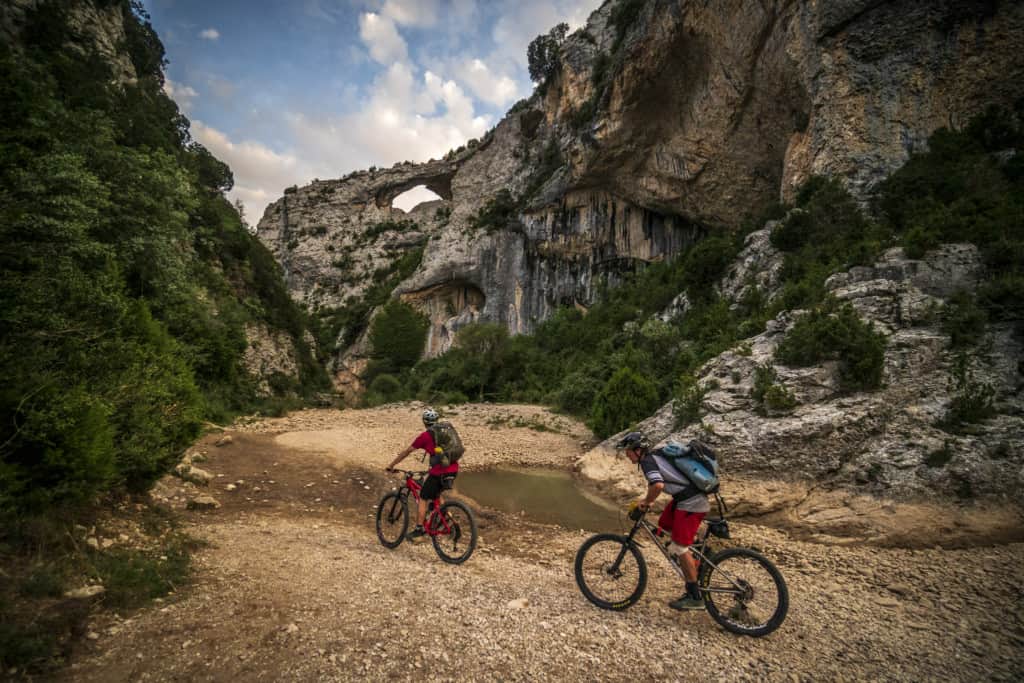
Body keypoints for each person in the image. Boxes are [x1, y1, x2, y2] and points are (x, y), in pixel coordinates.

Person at [616, 430, 710, 611]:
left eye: (628, 451)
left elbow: (657, 484)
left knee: (679, 546)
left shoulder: (647, 461)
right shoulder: (655, 456)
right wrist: (648, 501)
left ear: (637, 450)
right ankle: (699, 556)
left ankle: (694, 595)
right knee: (664, 525)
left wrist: (646, 502)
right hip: (684, 499)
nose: (627, 455)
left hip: (691, 502)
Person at [386, 407, 459, 540]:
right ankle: (449, 519)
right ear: (437, 420)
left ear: (424, 422)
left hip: (439, 471)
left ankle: (419, 529)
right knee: (437, 493)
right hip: (453, 469)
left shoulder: (425, 436)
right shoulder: (447, 432)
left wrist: (392, 465)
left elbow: (407, 451)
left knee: (423, 497)